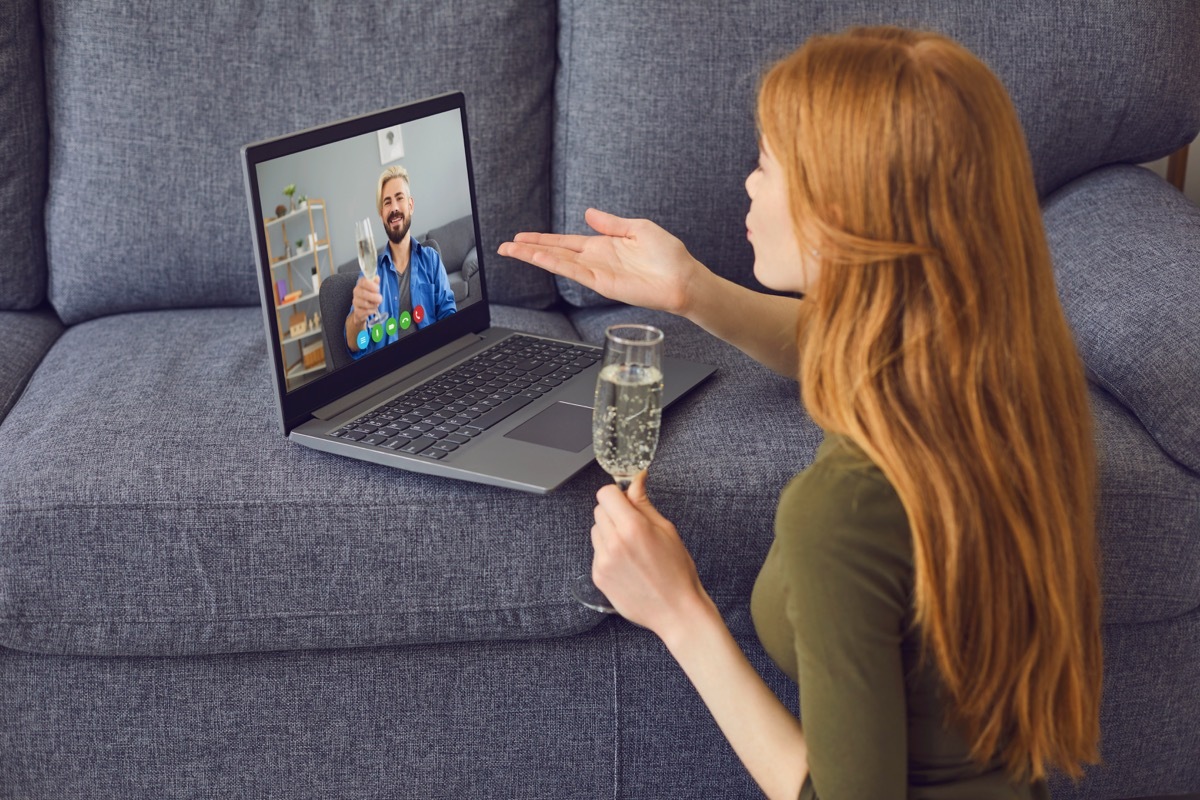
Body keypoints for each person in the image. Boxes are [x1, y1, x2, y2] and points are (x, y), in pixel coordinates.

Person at [498, 26, 1102, 800]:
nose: (747, 185)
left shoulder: (845, 510)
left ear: (841, 212)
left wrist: (680, 612)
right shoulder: (1007, 383)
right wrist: (692, 291)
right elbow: (840, 342)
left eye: (765, 164)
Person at [345, 165, 456, 357]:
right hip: (390, 372)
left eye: (399, 198)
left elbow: (449, 316)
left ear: (410, 205)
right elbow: (355, 344)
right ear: (381, 215)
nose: (394, 208)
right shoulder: (370, 276)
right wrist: (357, 319)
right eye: (387, 202)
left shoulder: (431, 260)